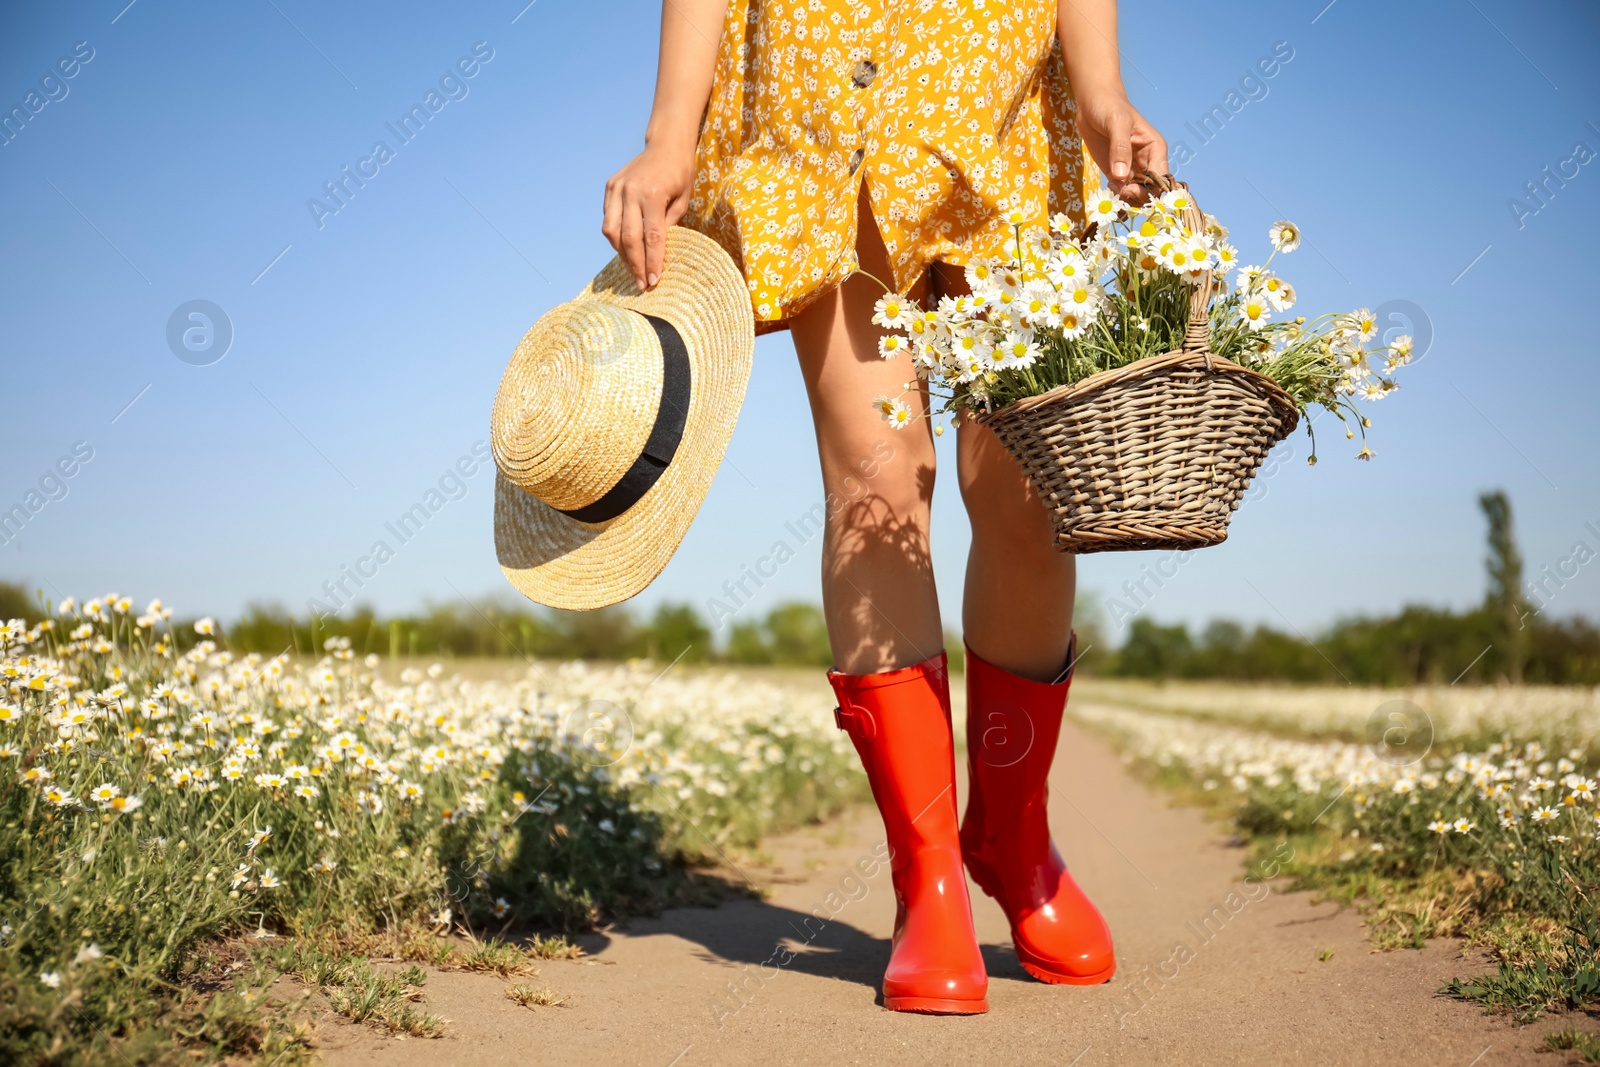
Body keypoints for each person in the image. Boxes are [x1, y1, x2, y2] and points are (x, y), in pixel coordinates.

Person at [603, 0, 1168, 1016]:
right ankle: (930, 878)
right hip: (828, 72)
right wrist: (667, 132)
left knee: (1023, 483)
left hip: (998, 71)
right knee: (878, 474)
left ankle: (1010, 834)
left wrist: (1102, 93)